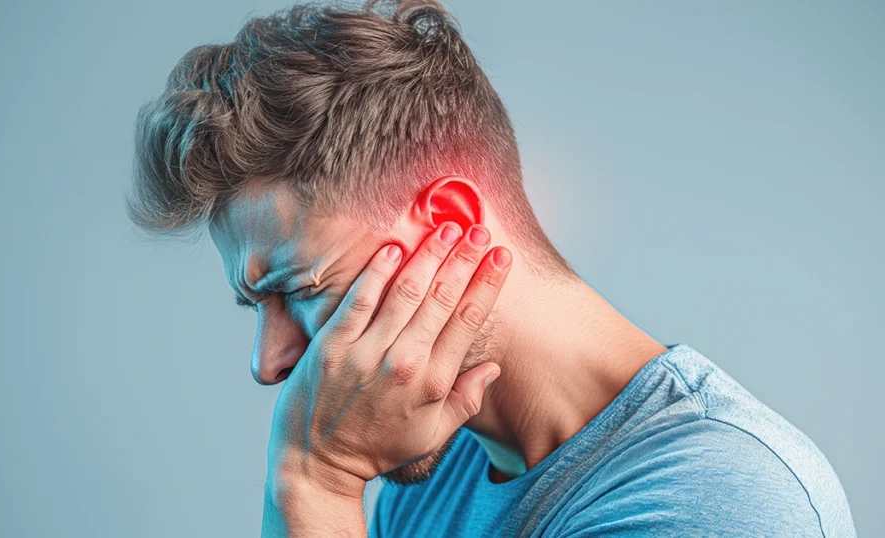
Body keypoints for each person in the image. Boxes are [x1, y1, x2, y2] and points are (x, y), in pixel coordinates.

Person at [127, 1, 856, 536]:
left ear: (450, 225)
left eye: (297, 288)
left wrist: (313, 482)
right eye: (257, 309)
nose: (269, 362)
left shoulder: (719, 502)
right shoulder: (431, 471)